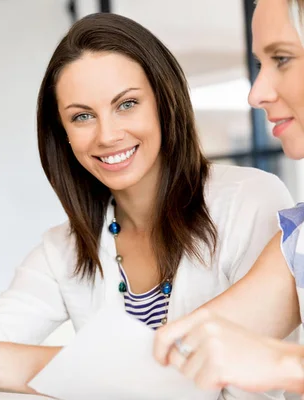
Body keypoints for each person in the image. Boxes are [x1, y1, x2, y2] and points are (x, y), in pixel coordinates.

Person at [0, 12, 295, 398]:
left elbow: (184, 381)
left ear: (165, 105)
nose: (107, 135)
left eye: (127, 104)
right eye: (82, 116)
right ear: (63, 134)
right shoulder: (65, 249)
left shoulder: (252, 201)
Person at [153, 0, 304, 395]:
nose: (256, 93)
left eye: (283, 59)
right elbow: (181, 353)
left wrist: (285, 364)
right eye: (260, 65)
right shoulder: (298, 241)